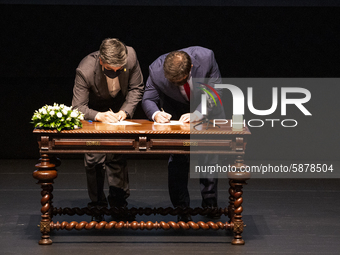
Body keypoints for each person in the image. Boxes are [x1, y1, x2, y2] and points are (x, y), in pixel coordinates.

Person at [142, 47, 225, 222]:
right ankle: (181, 207)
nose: (178, 83)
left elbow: (216, 90)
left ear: (191, 67)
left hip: (206, 108)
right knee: (178, 160)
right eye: (173, 81)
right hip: (176, 113)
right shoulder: (155, 69)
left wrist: (198, 113)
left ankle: (210, 205)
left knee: (209, 157)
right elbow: (148, 99)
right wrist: (156, 114)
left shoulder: (206, 57)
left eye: (181, 80)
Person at [72, 38, 144, 221]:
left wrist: (125, 112)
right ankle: (97, 205)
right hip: (95, 114)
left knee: (117, 156)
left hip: (119, 112)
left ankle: (119, 204)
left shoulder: (131, 56)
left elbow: (136, 88)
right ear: (101, 61)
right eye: (111, 69)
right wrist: (99, 115)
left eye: (119, 69)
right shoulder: (85, 69)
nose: (116, 72)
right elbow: (77, 107)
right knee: (94, 159)